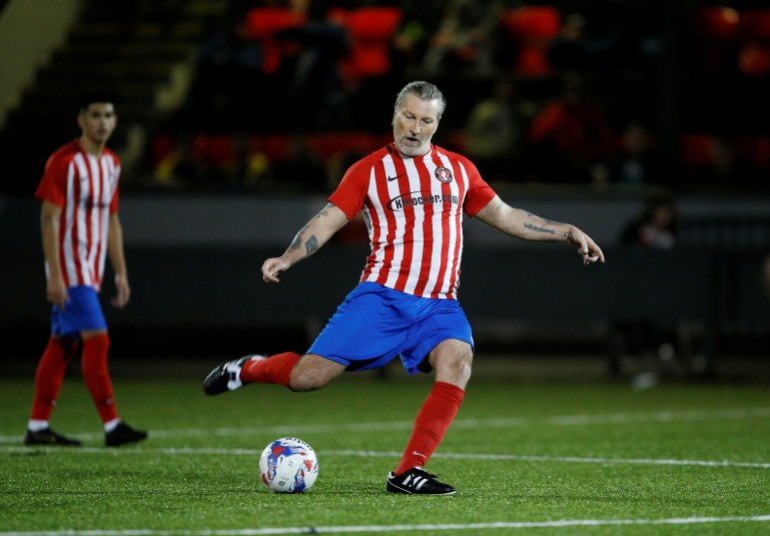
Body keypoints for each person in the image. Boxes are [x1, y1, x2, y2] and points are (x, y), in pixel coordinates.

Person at [203, 81, 604, 494]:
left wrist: (565, 231)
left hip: (439, 305)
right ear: (394, 115)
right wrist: (288, 257)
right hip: (382, 297)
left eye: (425, 120)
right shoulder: (369, 170)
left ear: (437, 124)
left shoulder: (459, 170)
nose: (414, 128)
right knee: (309, 378)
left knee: (458, 360)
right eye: (408, 117)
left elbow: (506, 216)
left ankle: (407, 472)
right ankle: (248, 368)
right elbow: (327, 219)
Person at [24, 90, 148, 448]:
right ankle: (112, 426)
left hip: (91, 274)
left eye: (109, 115)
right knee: (98, 340)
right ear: (81, 120)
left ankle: (37, 426)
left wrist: (120, 271)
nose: (103, 122)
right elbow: (48, 218)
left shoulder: (111, 163)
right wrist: (56, 274)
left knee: (61, 345)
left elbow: (111, 220)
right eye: (95, 115)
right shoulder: (64, 161)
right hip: (71, 272)